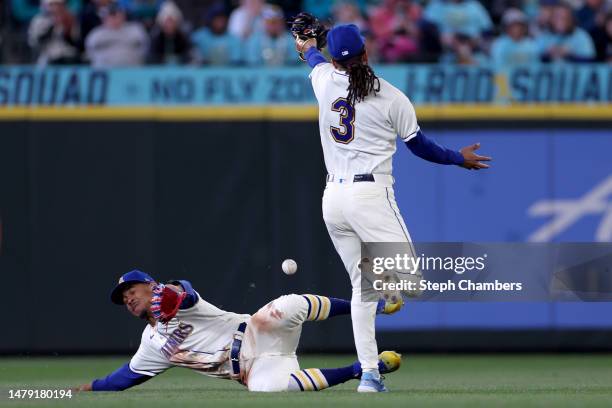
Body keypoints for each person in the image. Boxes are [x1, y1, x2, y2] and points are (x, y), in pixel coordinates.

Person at [294, 24, 491, 392]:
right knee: (410, 283)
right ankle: (385, 287)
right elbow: (420, 146)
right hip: (369, 196)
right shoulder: (388, 95)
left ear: (336, 61)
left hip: (332, 200)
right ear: (366, 53)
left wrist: (306, 43)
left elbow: (313, 57)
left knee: (361, 291)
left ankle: (369, 374)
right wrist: (457, 159)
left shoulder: (323, 80)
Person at [75, 270, 402, 392]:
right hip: (253, 368)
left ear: (150, 285)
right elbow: (125, 378)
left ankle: (372, 307)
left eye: (132, 290)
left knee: (286, 305)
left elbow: (185, 291)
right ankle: (362, 369)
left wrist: (174, 291)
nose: (128, 298)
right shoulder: (151, 344)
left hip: (256, 331)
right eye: (123, 299)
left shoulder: (173, 298)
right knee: (267, 389)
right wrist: (90, 388)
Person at [85, 3, 149, 66]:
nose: (114, 19)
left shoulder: (135, 29)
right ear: (104, 18)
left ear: (123, 16)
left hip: (132, 70)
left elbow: (145, 48)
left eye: (117, 15)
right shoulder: (96, 33)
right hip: (105, 71)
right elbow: (90, 52)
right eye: (111, 16)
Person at [28, 0, 80, 65]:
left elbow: (75, 42)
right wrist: (53, 26)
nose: (56, 7)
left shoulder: (69, 18)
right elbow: (36, 42)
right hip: (47, 57)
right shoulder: (38, 20)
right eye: (53, 4)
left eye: (59, 4)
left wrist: (67, 27)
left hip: (67, 57)